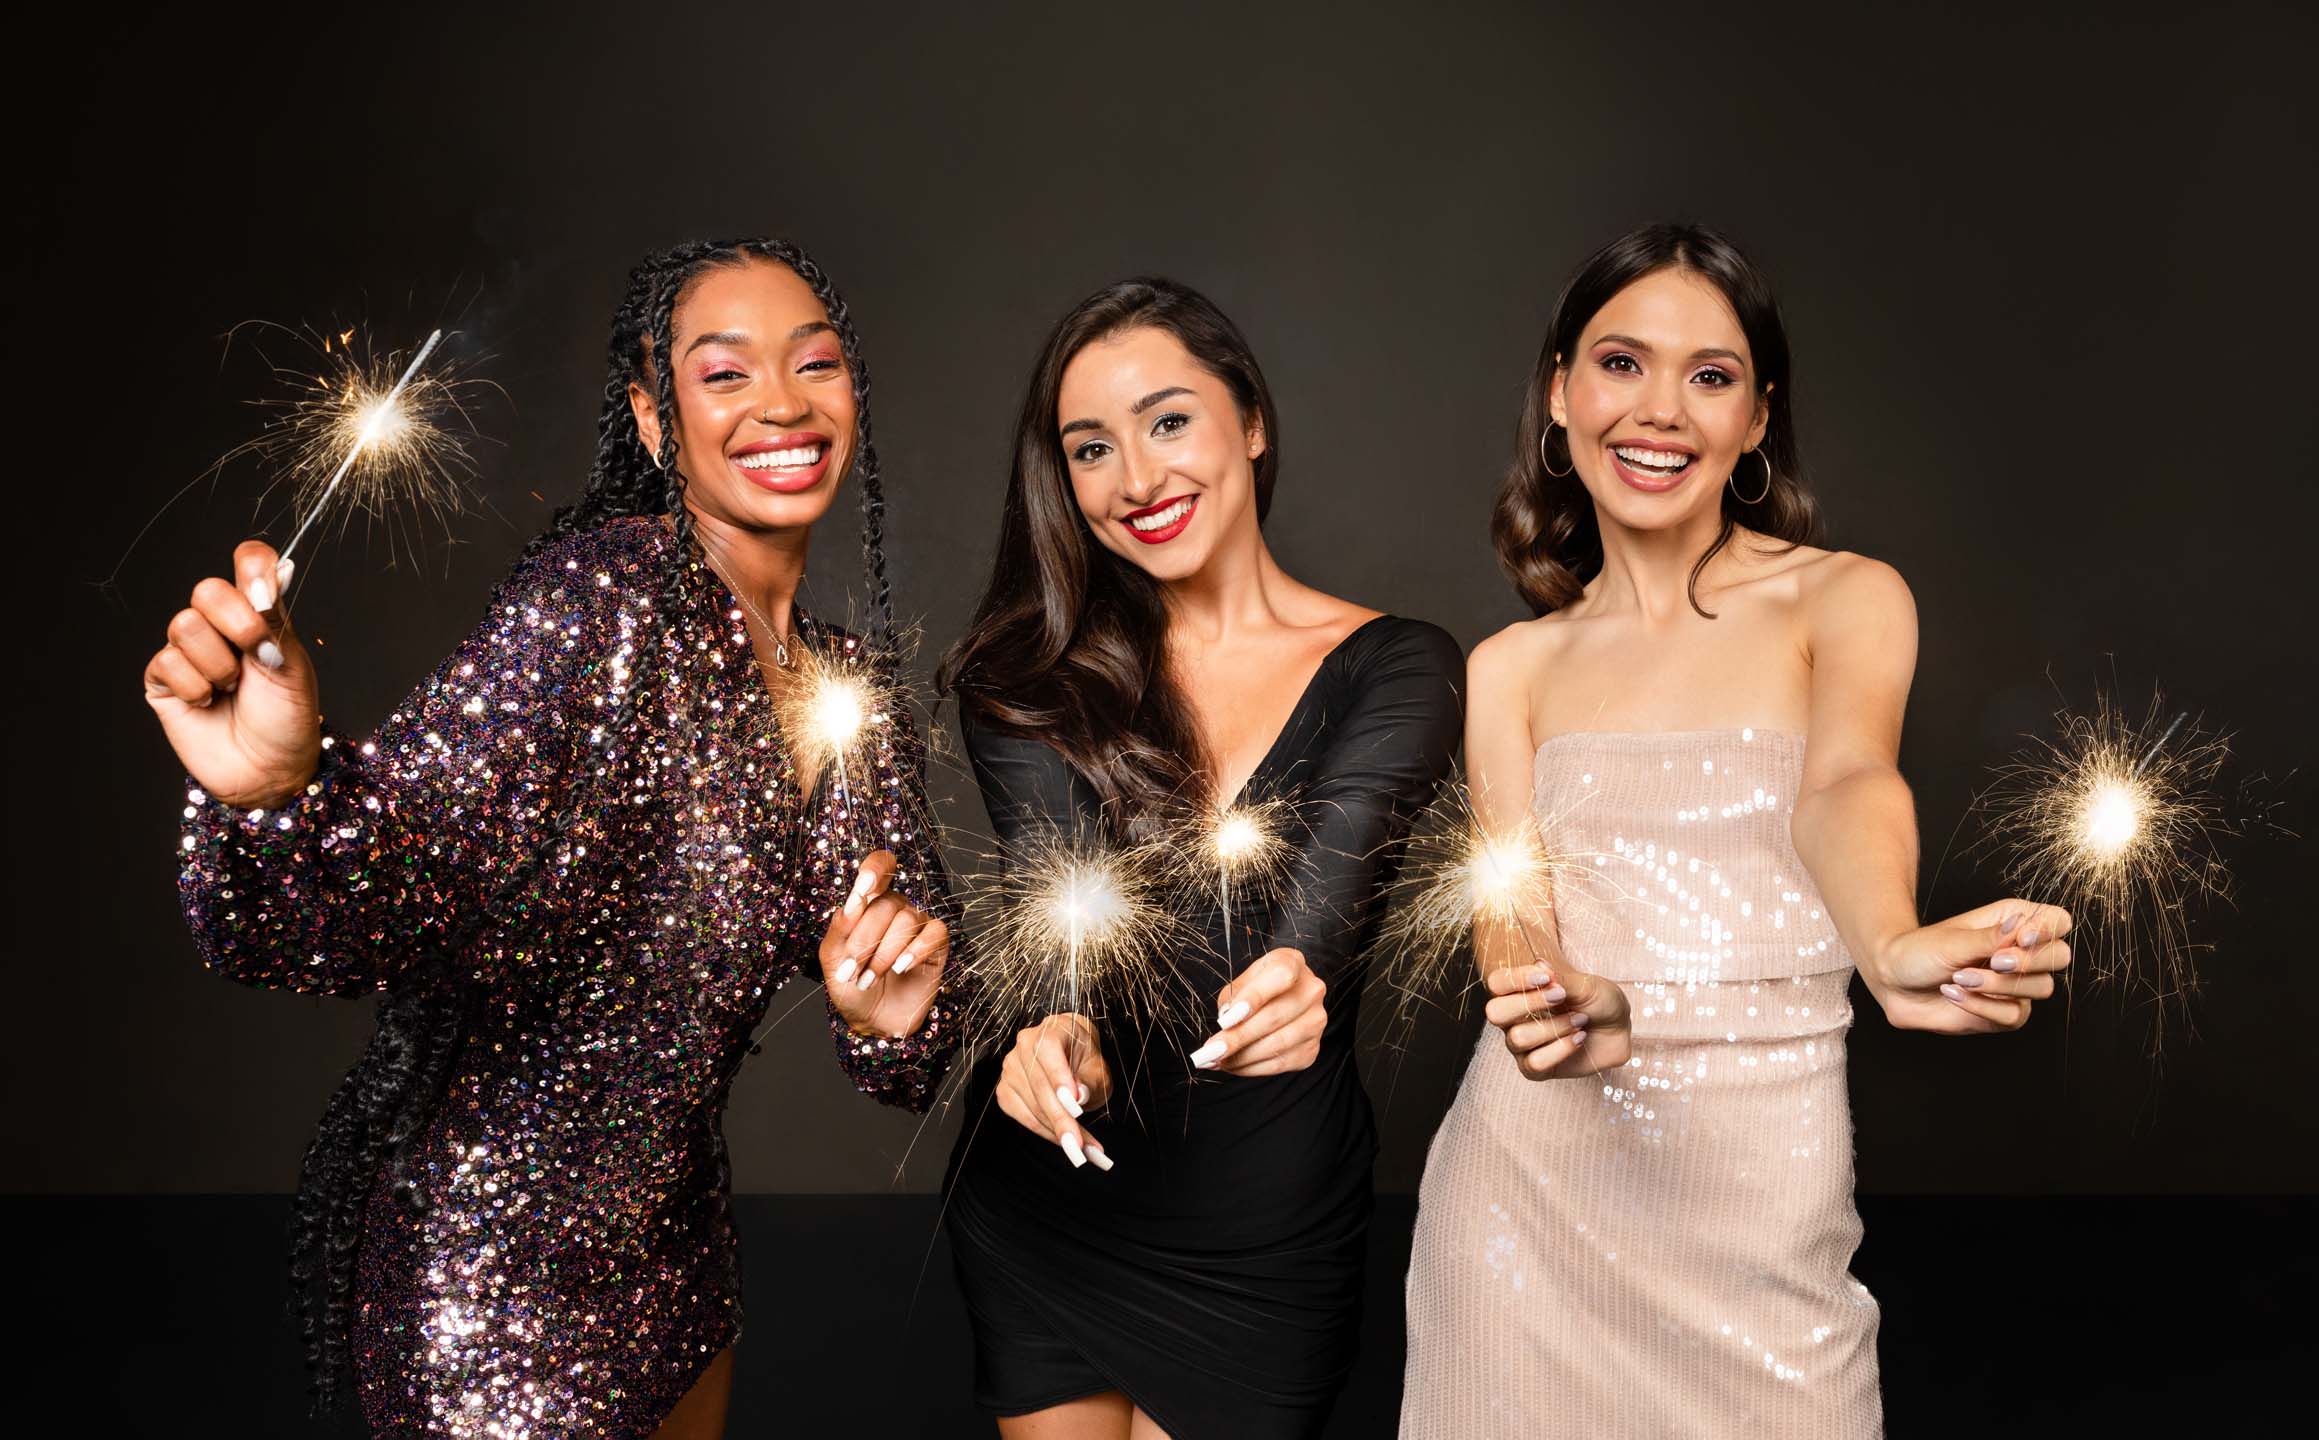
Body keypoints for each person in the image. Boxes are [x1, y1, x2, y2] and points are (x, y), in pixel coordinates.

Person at [145, 238, 961, 1439]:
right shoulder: (605, 599)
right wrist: (279, 793)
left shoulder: (847, 693)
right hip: (491, 1282)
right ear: (650, 419)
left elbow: (915, 1012)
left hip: (678, 1270)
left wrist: (892, 1011)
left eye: (817, 363)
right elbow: (395, 888)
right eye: (724, 374)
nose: (784, 403)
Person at [1400, 223, 2073, 1438]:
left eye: (1710, 377)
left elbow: (1847, 784)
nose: (1659, 411)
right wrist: (1563, 1011)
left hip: (1765, 1206)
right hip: (1526, 1213)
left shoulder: (1844, 598)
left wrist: (1892, 942)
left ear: (1758, 419)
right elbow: (1510, 916)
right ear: (1559, 392)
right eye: (1621, 364)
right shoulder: (1509, 669)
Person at [937, 278, 1461, 1438]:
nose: (1136, 478)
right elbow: (1063, 940)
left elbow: (1315, 928)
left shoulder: (1399, 666)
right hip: (1055, 1210)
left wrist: (1295, 987)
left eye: (1169, 420)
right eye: (1091, 448)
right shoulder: (1026, 682)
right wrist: (1052, 1043)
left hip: (1263, 1227)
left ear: (1252, 422)